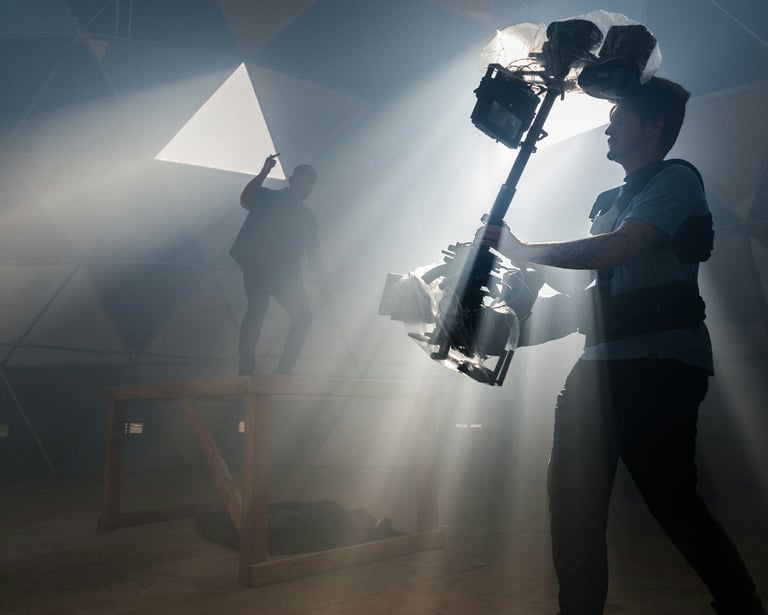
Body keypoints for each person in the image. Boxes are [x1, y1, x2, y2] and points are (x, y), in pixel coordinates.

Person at [477, 77, 765, 615]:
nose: (608, 130)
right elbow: (588, 296)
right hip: (598, 368)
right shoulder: (609, 202)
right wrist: (504, 320)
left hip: (658, 367)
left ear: (653, 127)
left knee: (672, 501)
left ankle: (742, 606)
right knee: (572, 504)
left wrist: (522, 249)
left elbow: (616, 250)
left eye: (620, 120)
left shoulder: (676, 180)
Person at [230, 155, 330, 376]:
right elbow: (246, 200)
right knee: (257, 310)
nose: (306, 186)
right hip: (259, 267)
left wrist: (323, 287)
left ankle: (285, 369)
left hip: (285, 275)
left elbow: (313, 254)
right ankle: (246, 367)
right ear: (292, 180)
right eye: (303, 180)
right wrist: (264, 172)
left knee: (303, 317)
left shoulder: (307, 218)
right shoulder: (270, 198)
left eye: (311, 183)